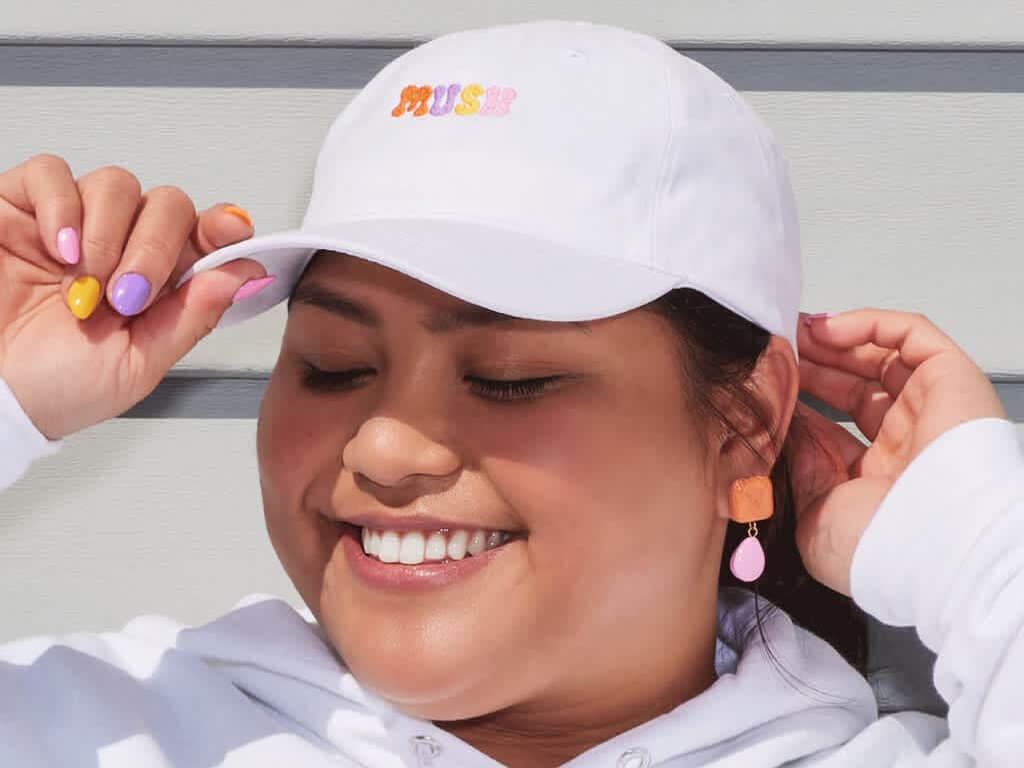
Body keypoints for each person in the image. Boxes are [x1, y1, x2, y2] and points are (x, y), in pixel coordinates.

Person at [0, 18, 1020, 768]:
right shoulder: (90, 726)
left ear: (743, 423)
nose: (383, 452)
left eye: (509, 379)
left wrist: (972, 537)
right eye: (332, 367)